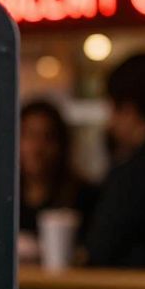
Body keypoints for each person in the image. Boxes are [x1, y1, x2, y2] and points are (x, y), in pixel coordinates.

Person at [86, 54, 145, 267]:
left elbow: (101, 249)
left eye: (113, 110)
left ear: (129, 110)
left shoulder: (131, 176)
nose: (111, 123)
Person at [17, 99, 95, 262]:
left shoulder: (85, 196)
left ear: (61, 145)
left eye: (47, 137)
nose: (37, 148)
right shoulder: (2, 198)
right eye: (29, 136)